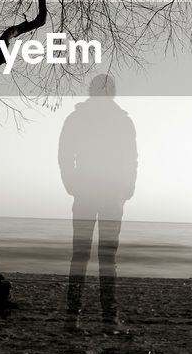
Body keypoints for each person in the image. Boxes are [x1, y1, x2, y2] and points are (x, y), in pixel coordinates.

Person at [58, 73, 137, 331]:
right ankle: (106, 317)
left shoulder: (79, 118)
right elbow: (131, 160)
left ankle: (75, 316)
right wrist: (127, 188)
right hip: (105, 193)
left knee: (81, 256)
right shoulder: (121, 121)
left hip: (94, 193)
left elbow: (64, 155)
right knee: (103, 257)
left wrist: (72, 184)